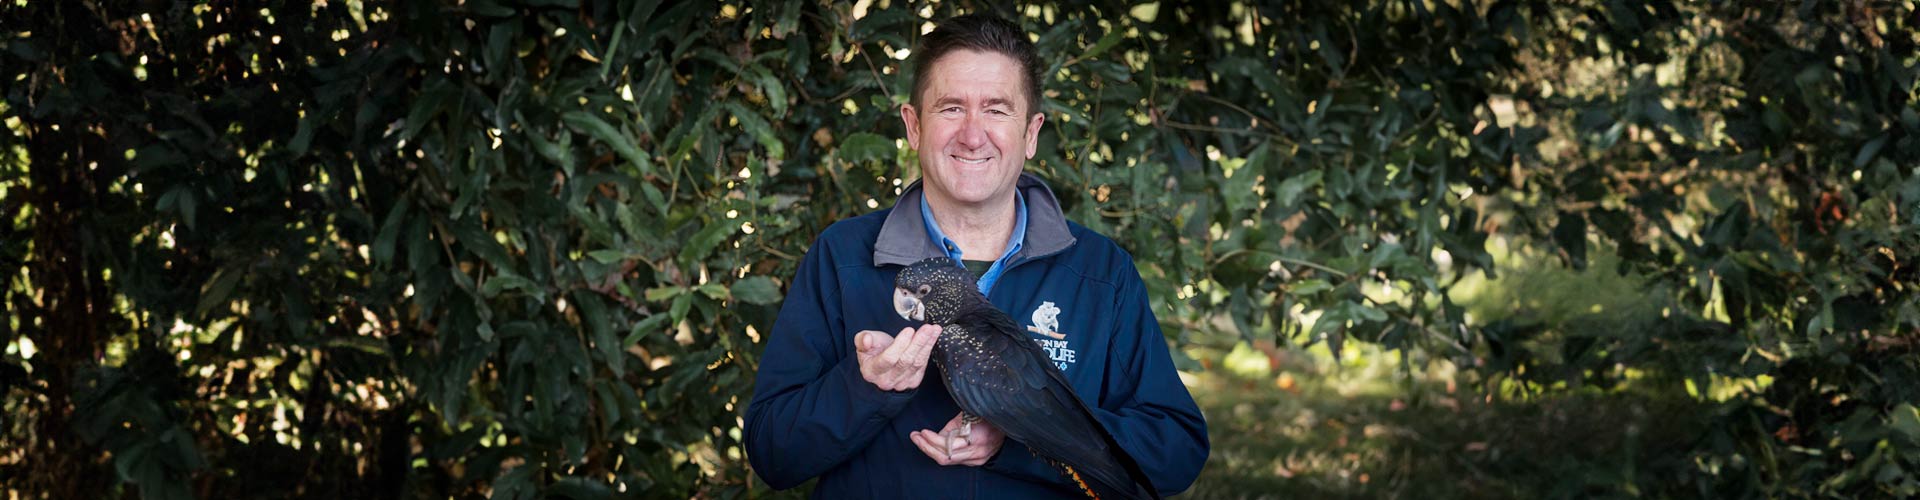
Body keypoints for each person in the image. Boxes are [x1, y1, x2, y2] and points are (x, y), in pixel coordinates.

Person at [744, 13, 1208, 498]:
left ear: (1031, 133)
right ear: (913, 125)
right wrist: (864, 388)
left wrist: (1026, 438)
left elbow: (1175, 451)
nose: (971, 134)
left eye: (996, 109)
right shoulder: (842, 258)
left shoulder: (1099, 273)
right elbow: (773, 455)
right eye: (950, 108)